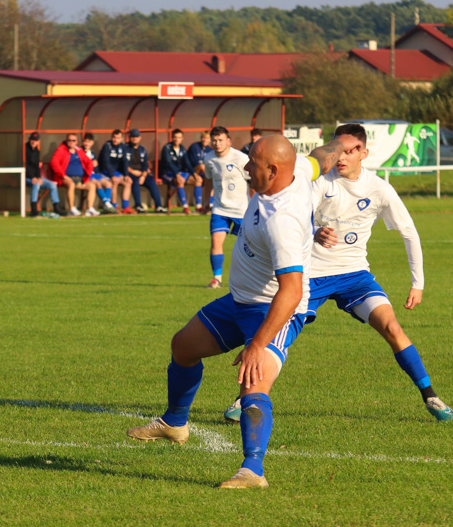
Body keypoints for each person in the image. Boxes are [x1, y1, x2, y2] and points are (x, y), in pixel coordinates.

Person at [127, 134, 353, 488]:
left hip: (274, 310)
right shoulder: (298, 174)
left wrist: (257, 345)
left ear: (274, 170)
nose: (246, 168)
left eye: (253, 164)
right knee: (183, 347)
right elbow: (320, 156)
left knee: (253, 384)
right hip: (239, 301)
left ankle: (252, 470)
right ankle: (174, 423)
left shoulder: (283, 221)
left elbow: (291, 291)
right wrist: (340, 144)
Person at [223, 123, 452, 424]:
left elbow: (409, 232)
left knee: (392, 328)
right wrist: (316, 230)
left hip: (354, 276)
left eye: (351, 150)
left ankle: (431, 396)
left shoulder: (379, 188)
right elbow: (297, 215)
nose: (342, 156)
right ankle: (245, 398)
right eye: (338, 149)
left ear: (364, 153)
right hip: (311, 277)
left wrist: (417, 283)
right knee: (277, 337)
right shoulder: (320, 183)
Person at [203, 126, 251, 289]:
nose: (217, 143)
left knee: (247, 246)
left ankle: (248, 279)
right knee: (216, 241)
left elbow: (253, 180)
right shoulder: (209, 158)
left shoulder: (241, 158)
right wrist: (204, 201)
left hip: (241, 209)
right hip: (219, 208)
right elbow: (208, 180)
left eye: (221, 140)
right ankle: (217, 279)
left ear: (228, 141)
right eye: (214, 140)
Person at [49, 133, 99, 217]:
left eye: (73, 140)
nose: (71, 142)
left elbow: (88, 162)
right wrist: (63, 175)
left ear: (77, 142)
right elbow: (54, 163)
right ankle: (72, 209)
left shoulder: (79, 150)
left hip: (79, 178)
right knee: (71, 184)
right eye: (69, 140)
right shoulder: (61, 150)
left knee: (92, 186)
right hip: (65, 178)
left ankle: (89, 209)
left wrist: (87, 174)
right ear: (66, 140)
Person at [123, 129, 166, 214]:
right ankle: (138, 205)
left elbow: (145, 165)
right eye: (133, 137)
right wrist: (132, 171)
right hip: (131, 173)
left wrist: (143, 175)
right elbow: (124, 163)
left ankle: (158, 206)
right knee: (135, 182)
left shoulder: (142, 149)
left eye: (136, 137)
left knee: (152, 182)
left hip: (142, 174)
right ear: (129, 138)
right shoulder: (125, 148)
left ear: (140, 138)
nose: (135, 139)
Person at [25, 132, 62, 217]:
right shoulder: (25, 149)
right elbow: (25, 165)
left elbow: (37, 166)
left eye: (36, 140)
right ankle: (34, 209)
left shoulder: (37, 150)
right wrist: (33, 177)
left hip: (35, 177)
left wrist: (38, 177)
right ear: (29, 139)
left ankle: (56, 207)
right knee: (36, 184)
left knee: (52, 185)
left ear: (38, 141)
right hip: (26, 177)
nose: (33, 142)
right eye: (32, 140)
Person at [98, 129, 133, 213]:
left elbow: (125, 161)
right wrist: (112, 175)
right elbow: (105, 162)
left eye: (118, 138)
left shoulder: (123, 147)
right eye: (114, 137)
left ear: (121, 139)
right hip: (105, 171)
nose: (115, 139)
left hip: (116, 172)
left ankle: (125, 207)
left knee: (128, 182)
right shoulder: (107, 146)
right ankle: (114, 206)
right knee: (115, 181)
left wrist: (126, 175)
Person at [82, 133, 117, 214]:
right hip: (87, 175)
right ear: (83, 142)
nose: (87, 144)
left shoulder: (92, 152)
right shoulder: (80, 152)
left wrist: (95, 165)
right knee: (97, 184)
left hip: (95, 174)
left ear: (92, 143)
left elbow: (96, 166)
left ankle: (106, 205)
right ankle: (108, 204)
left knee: (108, 184)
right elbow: (81, 165)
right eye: (85, 141)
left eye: (89, 142)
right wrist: (91, 164)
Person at [160, 129, 191, 215]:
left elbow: (187, 163)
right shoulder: (166, 148)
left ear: (182, 138)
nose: (177, 139)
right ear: (172, 138)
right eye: (175, 137)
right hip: (167, 173)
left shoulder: (182, 148)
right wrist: (177, 175)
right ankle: (185, 207)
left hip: (179, 173)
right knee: (180, 181)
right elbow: (169, 163)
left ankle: (200, 206)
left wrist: (195, 174)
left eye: (179, 137)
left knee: (198, 180)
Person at [185, 131, 213, 213]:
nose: (205, 140)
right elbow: (194, 162)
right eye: (203, 138)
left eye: (207, 138)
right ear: (201, 138)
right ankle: (211, 179)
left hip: (203, 174)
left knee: (200, 180)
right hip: (193, 171)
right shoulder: (194, 147)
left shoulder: (210, 150)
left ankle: (201, 206)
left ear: (210, 140)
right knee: (202, 167)